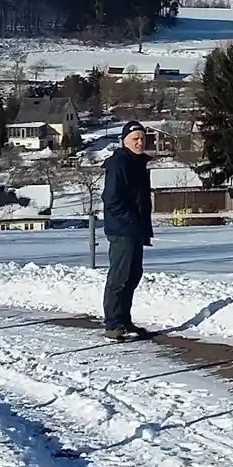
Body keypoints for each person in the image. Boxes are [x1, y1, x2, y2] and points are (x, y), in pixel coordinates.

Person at [101, 120, 153, 339]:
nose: (139, 142)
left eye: (142, 138)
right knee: (119, 276)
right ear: (124, 141)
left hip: (135, 229)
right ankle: (113, 323)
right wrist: (131, 221)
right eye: (135, 139)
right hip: (122, 229)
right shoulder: (119, 163)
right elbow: (111, 199)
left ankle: (124, 320)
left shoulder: (138, 163)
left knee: (133, 275)